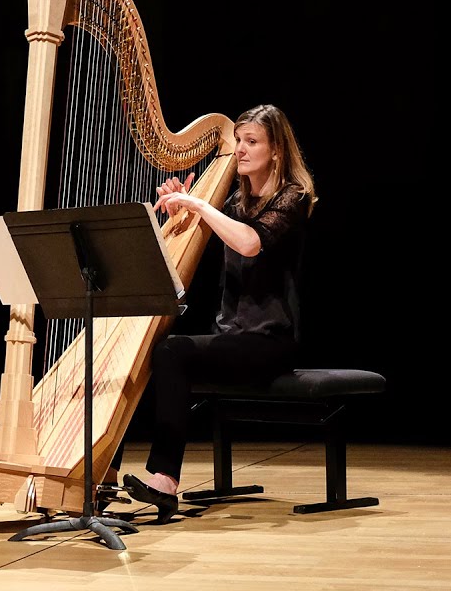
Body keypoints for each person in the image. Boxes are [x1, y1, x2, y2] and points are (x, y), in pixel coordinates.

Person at [119, 103, 318, 522]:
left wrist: (200, 207)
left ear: (276, 150)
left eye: (251, 142)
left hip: (272, 341)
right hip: (232, 336)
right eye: (239, 141)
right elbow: (199, 236)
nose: (240, 151)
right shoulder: (232, 201)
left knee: (173, 351)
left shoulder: (293, 198)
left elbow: (250, 243)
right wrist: (179, 210)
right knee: (147, 348)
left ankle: (165, 482)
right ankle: (105, 475)